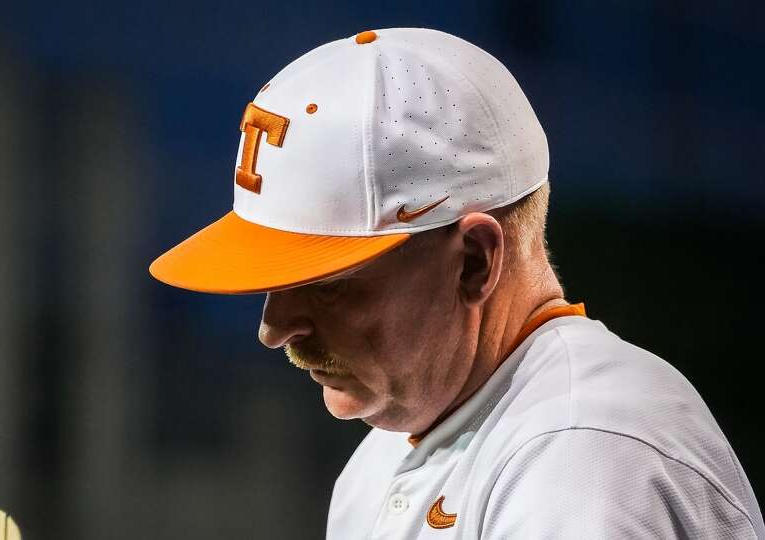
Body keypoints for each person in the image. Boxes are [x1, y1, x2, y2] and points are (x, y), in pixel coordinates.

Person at [149, 28, 764, 538]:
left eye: (328, 282)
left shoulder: (582, 457)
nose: (274, 327)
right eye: (274, 279)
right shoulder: (388, 457)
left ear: (473, 260)